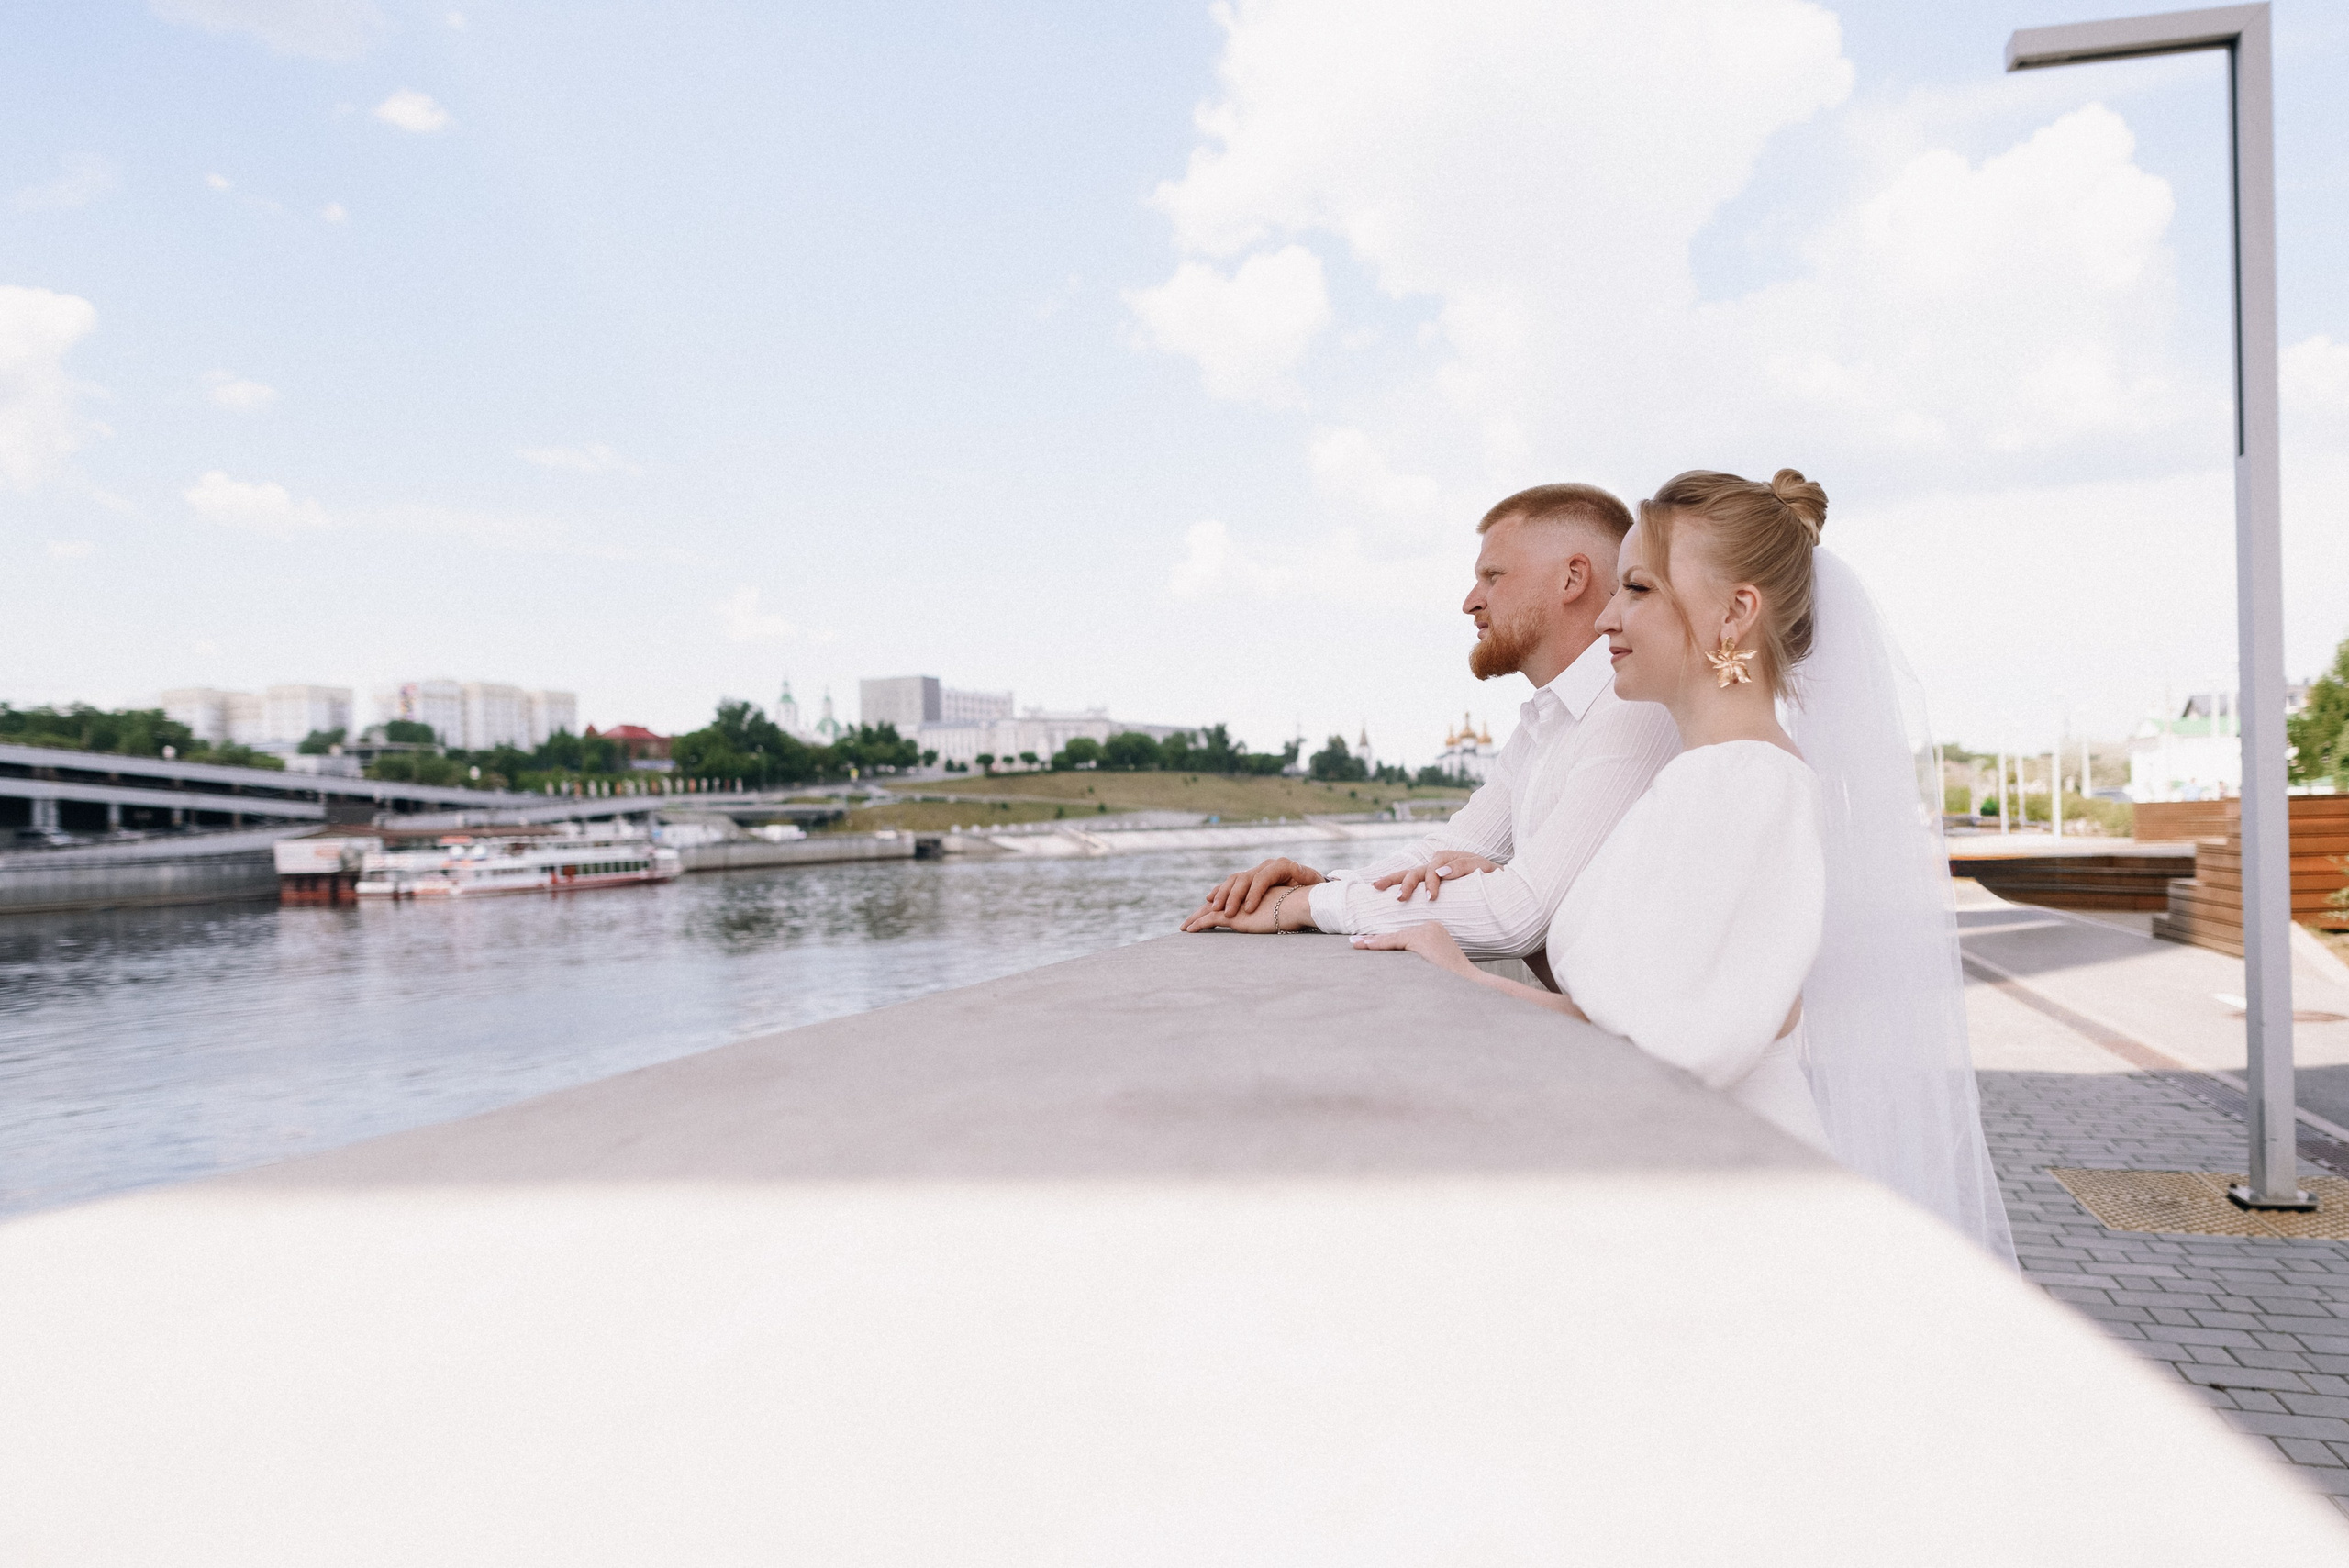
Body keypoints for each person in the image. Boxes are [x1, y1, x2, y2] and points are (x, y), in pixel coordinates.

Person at [1357, 469, 2014, 1262]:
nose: (1606, 617)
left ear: (1736, 612)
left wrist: (1468, 980)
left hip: (1733, 1213)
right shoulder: (1711, 776)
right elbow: (1653, 1020)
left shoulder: (1742, 785)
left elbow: (1667, 1057)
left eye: (1636, 588)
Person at [1178, 484, 1677, 957]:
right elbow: (1458, 845)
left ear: (1571, 578)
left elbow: (1522, 914)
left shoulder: (1634, 704)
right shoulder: (1545, 719)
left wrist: (1302, 907)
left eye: (1493, 577)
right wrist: (1324, 884)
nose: (1470, 602)